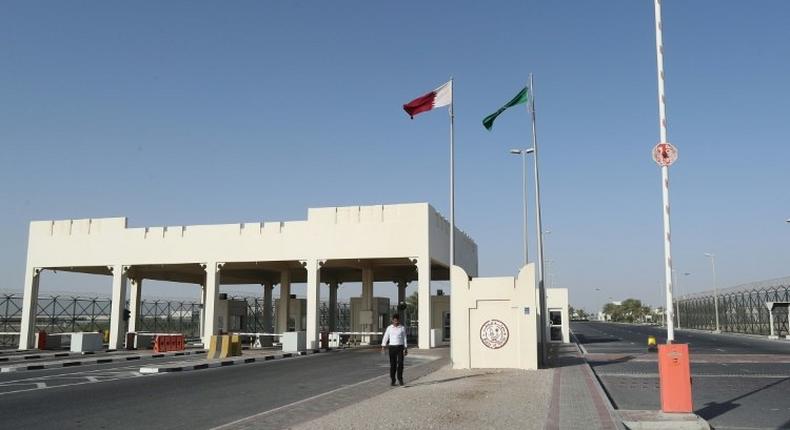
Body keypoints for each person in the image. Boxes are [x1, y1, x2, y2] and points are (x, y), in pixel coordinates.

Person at [381, 314, 408, 386]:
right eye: (394, 320)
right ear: (392, 320)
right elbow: (386, 336)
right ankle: (393, 379)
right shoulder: (389, 328)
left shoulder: (402, 328)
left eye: (397, 320)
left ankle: (400, 378)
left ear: (399, 320)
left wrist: (405, 348)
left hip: (400, 347)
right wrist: (383, 346)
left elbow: (404, 338)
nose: (396, 322)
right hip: (392, 347)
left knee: (401, 363)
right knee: (393, 365)